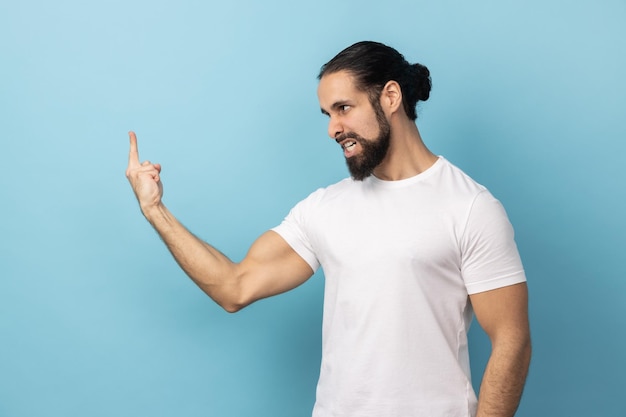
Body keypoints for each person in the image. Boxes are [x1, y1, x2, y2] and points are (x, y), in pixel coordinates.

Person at [126, 41, 531, 417]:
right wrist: (155, 210)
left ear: (390, 97)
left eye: (343, 108)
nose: (333, 129)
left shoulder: (470, 207)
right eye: (328, 114)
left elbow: (511, 343)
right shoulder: (324, 208)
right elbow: (235, 286)